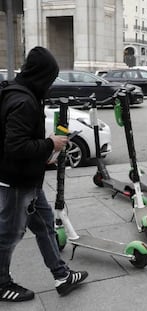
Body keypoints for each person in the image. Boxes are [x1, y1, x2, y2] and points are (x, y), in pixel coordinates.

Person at [0, 46, 88, 302]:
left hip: (28, 179)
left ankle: (61, 275)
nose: (50, 85)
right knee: (8, 235)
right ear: (41, 76)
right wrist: (51, 144)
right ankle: (2, 283)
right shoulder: (24, 101)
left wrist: (48, 148)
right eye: (49, 78)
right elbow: (15, 147)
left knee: (45, 226)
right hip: (17, 182)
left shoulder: (17, 91)